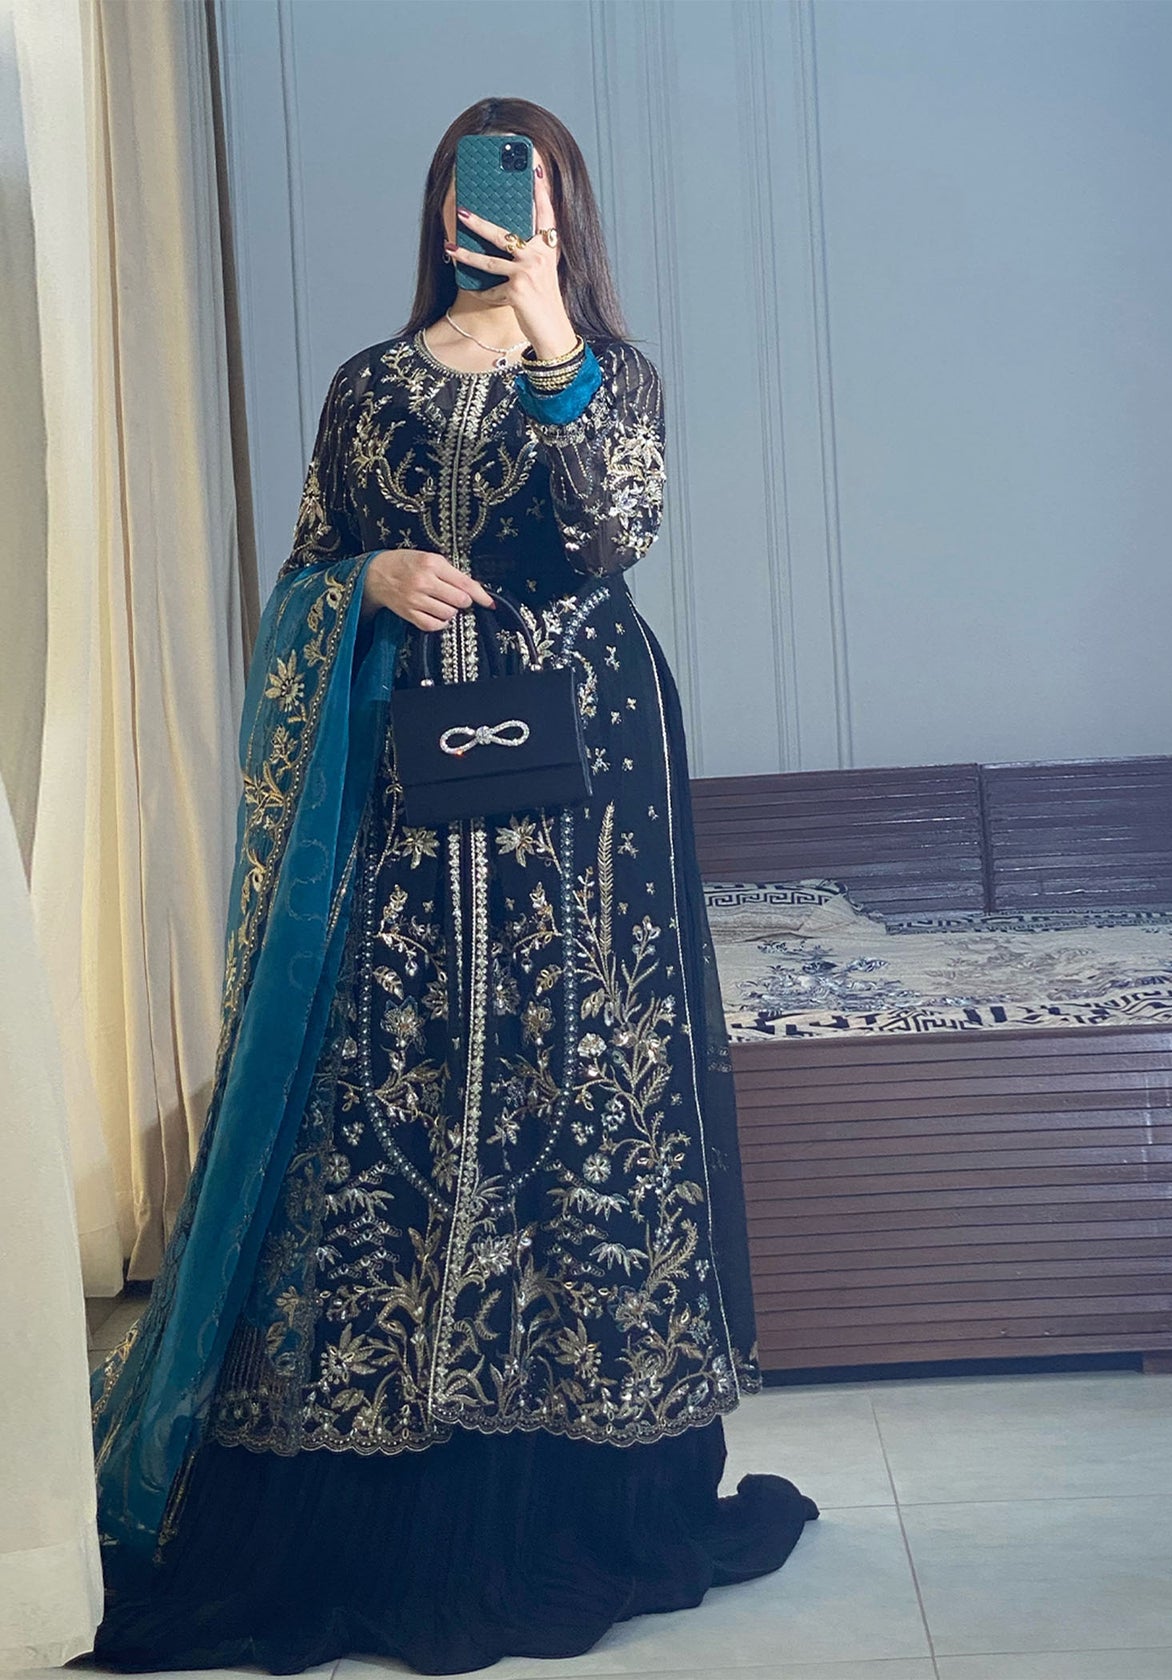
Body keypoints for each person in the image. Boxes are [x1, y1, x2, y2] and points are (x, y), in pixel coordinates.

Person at [81, 97, 818, 1676]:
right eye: (473, 195)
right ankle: (377, 1484)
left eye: (526, 197)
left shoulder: (611, 376)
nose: (492, 217)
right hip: (404, 803)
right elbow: (303, 571)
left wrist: (553, 337)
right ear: (440, 211)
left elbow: (616, 527)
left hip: (586, 806)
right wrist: (366, 578)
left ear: (562, 215)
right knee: (387, 1095)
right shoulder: (369, 388)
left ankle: (584, 1476)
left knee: (580, 1091)